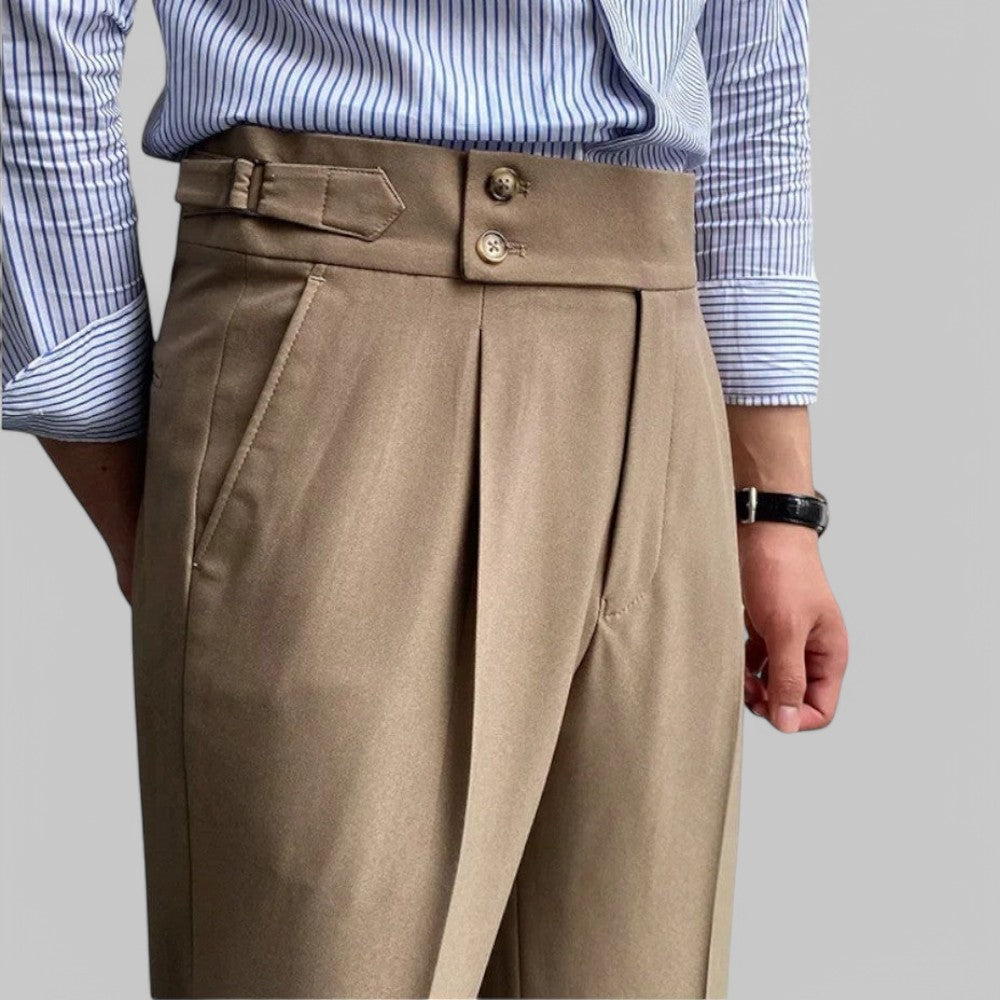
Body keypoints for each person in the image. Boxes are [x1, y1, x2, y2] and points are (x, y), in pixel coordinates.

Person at [2, 1, 848, 997]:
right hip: (344, 327)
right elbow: (38, 36)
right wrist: (111, 442)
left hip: (658, 346)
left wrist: (775, 503)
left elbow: (755, 61)